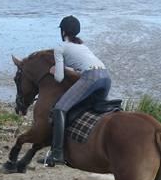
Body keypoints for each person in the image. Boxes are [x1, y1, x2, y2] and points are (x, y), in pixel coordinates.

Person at [45, 15, 111, 167]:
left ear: (63, 32)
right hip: (106, 76)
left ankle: (57, 154)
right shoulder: (83, 46)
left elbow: (59, 78)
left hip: (91, 78)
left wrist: (55, 70)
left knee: (59, 109)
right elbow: (80, 69)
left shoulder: (60, 47)